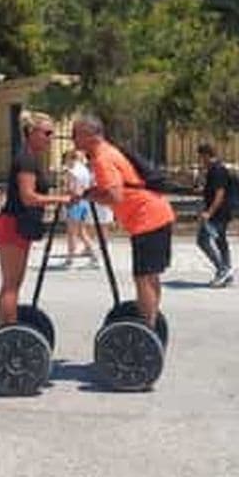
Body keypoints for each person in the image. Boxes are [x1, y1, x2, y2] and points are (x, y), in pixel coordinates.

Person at [72, 114, 175, 329]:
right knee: (150, 275)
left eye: (76, 134)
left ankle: (146, 330)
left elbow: (114, 196)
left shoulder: (102, 158)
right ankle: (151, 323)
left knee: (143, 277)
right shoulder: (109, 151)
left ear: (89, 135)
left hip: (147, 218)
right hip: (157, 214)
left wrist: (89, 196)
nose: (73, 140)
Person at [0, 110, 70, 325]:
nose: (50, 137)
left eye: (51, 133)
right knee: (11, 286)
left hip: (18, 225)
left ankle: (8, 330)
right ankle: (8, 334)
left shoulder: (30, 157)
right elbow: (28, 197)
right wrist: (61, 199)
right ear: (31, 132)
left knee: (13, 284)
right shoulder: (26, 159)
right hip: (12, 224)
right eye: (46, 132)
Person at [195, 141, 234, 287]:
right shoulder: (214, 170)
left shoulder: (217, 170)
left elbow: (220, 194)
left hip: (217, 213)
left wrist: (209, 213)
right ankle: (227, 271)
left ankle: (222, 269)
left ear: (206, 155)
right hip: (220, 212)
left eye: (200, 157)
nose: (200, 161)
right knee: (221, 241)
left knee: (202, 240)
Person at [62, 148, 99, 267]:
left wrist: (66, 196)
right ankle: (94, 255)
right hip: (84, 202)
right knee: (82, 232)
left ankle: (70, 258)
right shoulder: (84, 170)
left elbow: (72, 188)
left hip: (74, 202)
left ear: (70, 159)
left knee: (71, 232)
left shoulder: (72, 171)